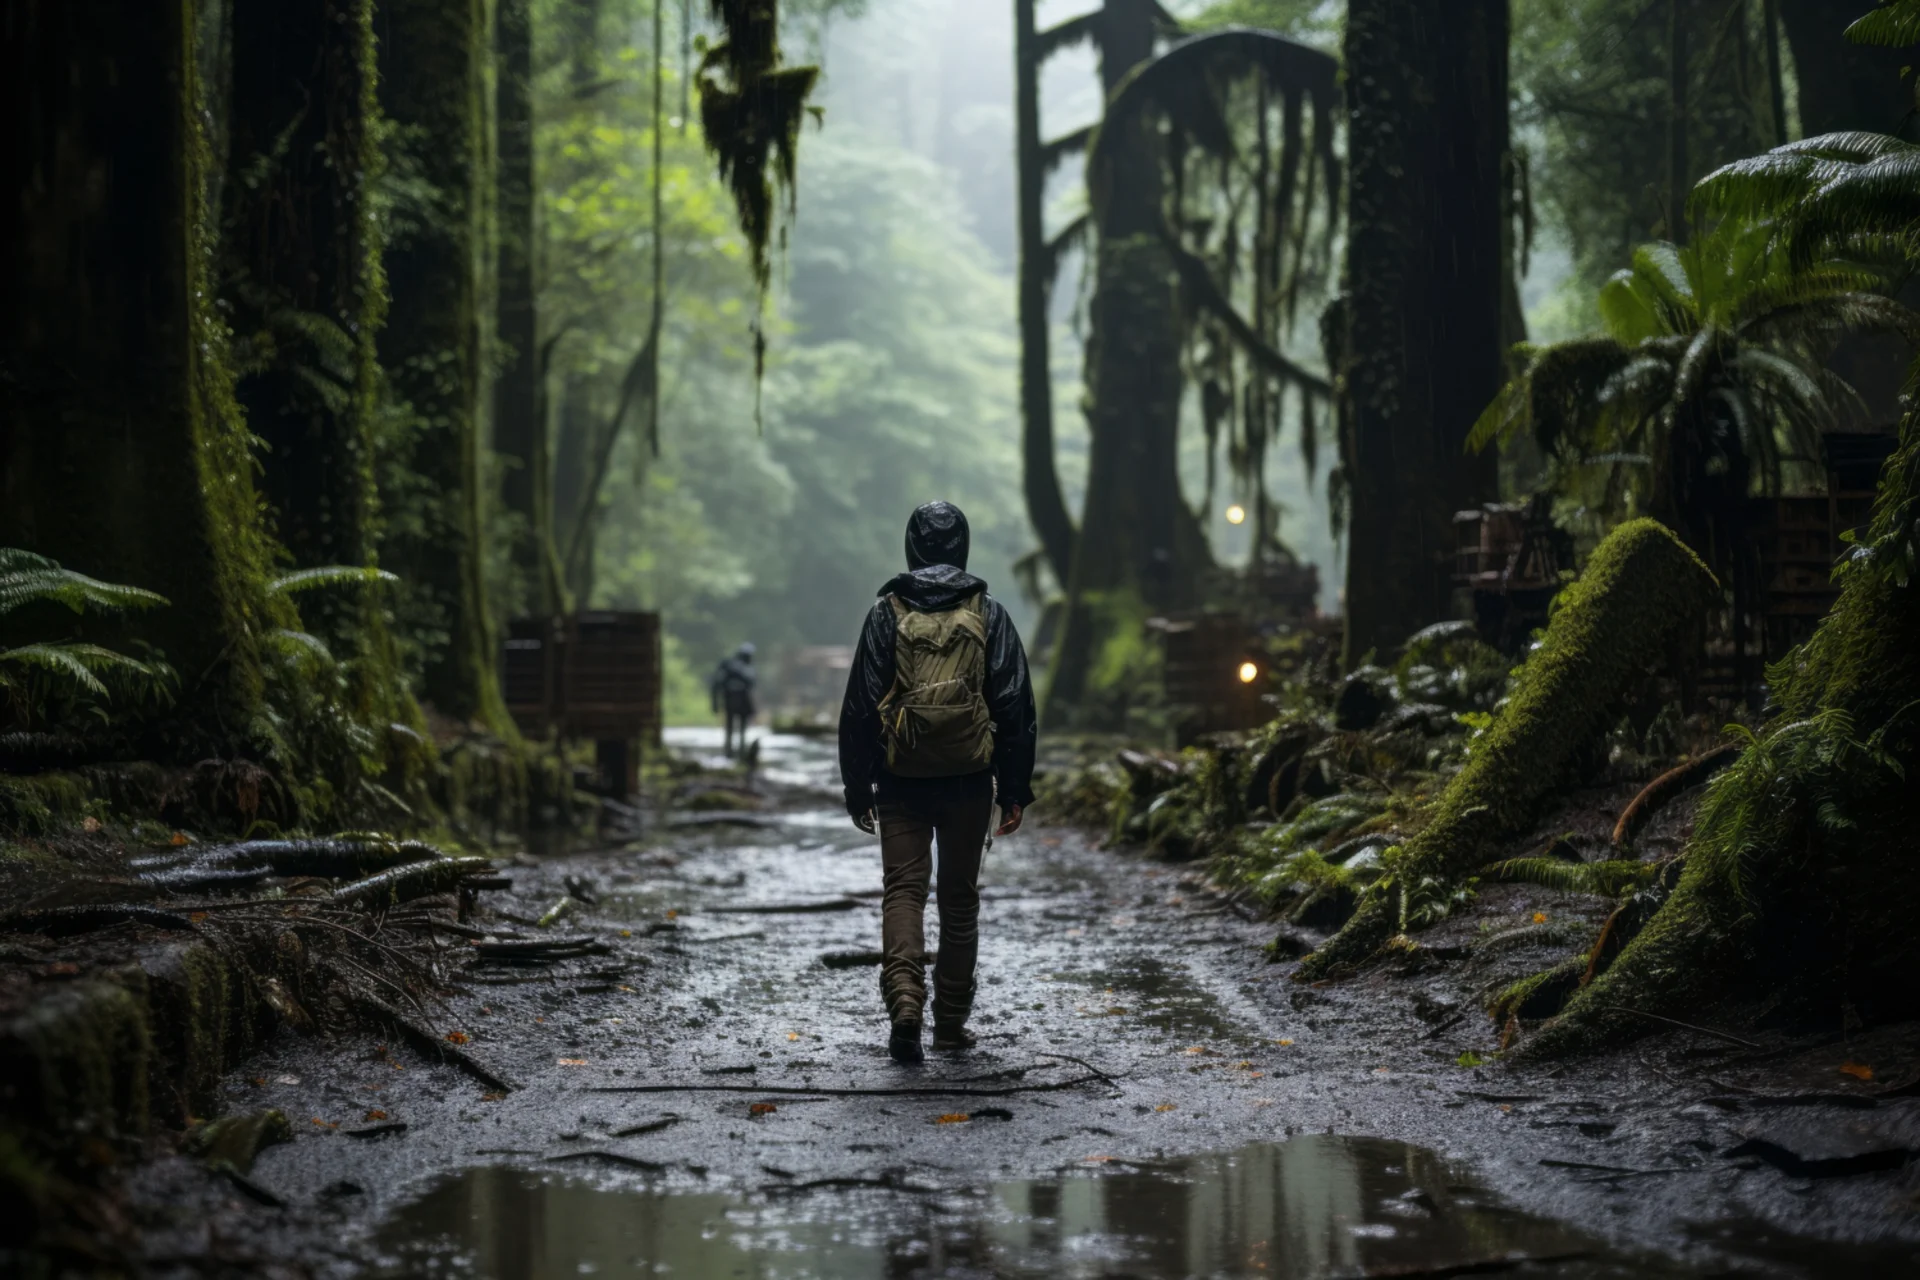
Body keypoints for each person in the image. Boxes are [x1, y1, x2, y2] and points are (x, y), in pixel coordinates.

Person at [838, 502, 1037, 1065]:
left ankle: (905, 1004)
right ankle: (949, 1026)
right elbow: (1015, 704)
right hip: (969, 779)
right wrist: (1014, 789)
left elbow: (859, 707)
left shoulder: (887, 612)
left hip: (900, 777)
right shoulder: (989, 612)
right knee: (959, 900)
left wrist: (858, 788)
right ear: (962, 547)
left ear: (912, 546)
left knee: (903, 891)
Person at [710, 642, 757, 757]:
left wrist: (715, 703)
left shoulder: (729, 666)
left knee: (732, 728)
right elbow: (751, 684)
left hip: (732, 701)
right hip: (738, 702)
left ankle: (731, 752)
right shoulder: (741, 668)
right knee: (738, 729)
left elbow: (716, 685)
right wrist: (715, 702)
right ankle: (736, 752)